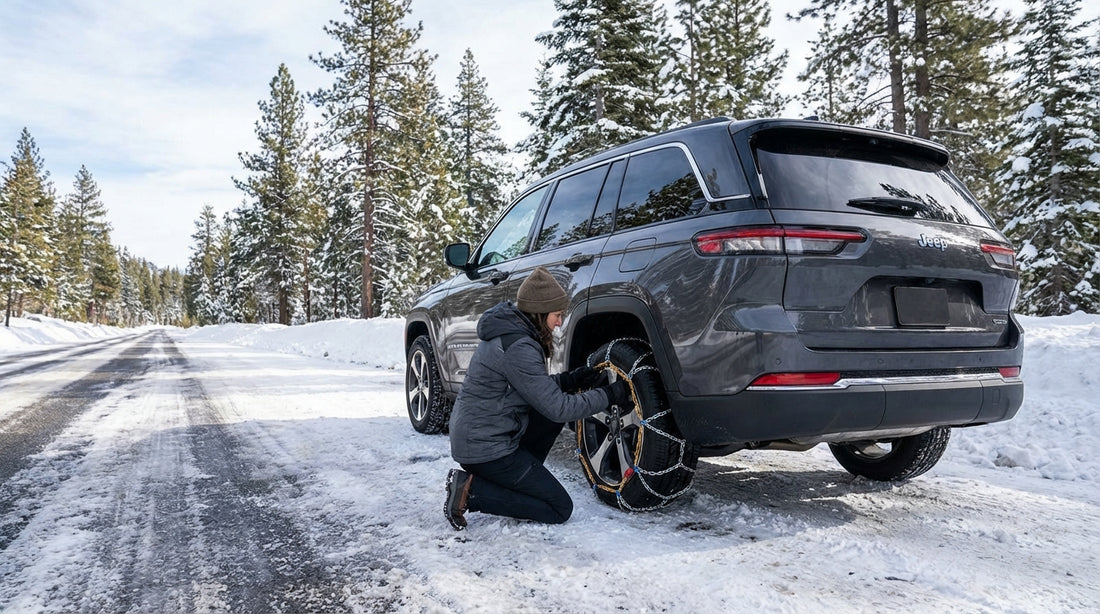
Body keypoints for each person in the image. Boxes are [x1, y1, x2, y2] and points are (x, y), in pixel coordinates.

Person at [444, 266, 630, 530]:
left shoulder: (512, 335)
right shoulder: (519, 346)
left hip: (483, 436)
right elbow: (558, 408)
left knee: (548, 410)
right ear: (539, 313)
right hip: (485, 449)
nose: (559, 322)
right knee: (559, 508)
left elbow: (531, 388)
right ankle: (471, 491)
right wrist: (611, 395)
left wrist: (570, 379)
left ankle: (516, 481)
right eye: (556, 314)